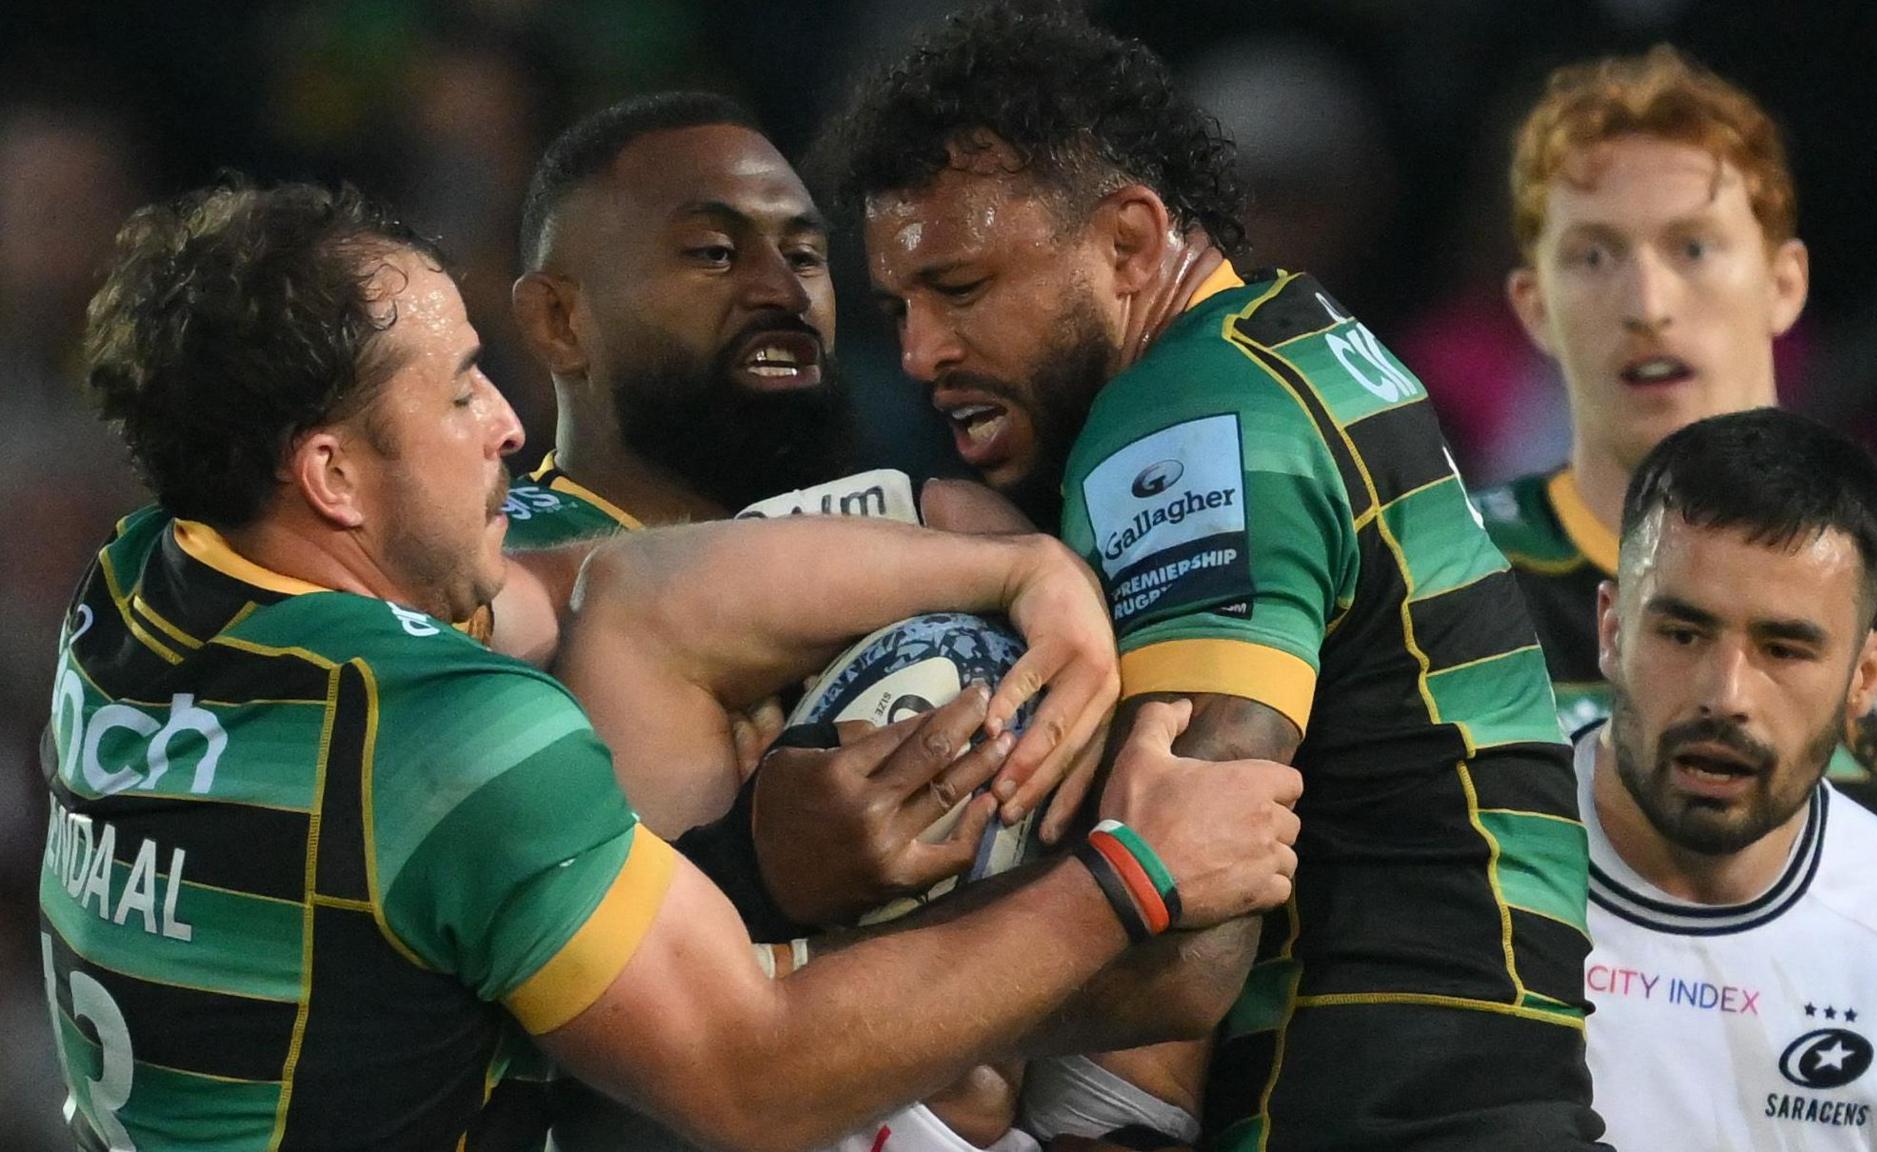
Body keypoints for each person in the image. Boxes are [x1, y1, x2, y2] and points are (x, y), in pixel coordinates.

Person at [37, 178, 1306, 1151]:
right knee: (1160, 944)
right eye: (464, 391)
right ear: (330, 476)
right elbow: (751, 1073)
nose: (510, 428)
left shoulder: (147, 580)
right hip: (722, 1064)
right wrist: (1129, 879)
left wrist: (1019, 573)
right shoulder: (435, 737)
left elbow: (616, 583)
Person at [824, 7, 1604, 1149]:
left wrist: (826, 1001)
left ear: (1132, 243)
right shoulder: (1284, 343)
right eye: (900, 306)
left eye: (962, 288)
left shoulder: (1189, 419)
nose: (918, 352)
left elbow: (1186, 925)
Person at [1475, 44, 1877, 1061]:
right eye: (1593, 254)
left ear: (1784, 283)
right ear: (1530, 307)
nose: (1646, 300)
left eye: (1692, 248)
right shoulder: (1437, 576)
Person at [506, 90, 1047, 1152]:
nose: (779, 290)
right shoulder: (489, 570)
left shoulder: (907, 549)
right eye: (713, 254)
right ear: (559, 320)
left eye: (804, 258)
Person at [1577, 408, 1877, 1150]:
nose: (1725, 696)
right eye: (1683, 632)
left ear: (1866, 676)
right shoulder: (1456, 862)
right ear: (1611, 629)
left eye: (1784, 649)